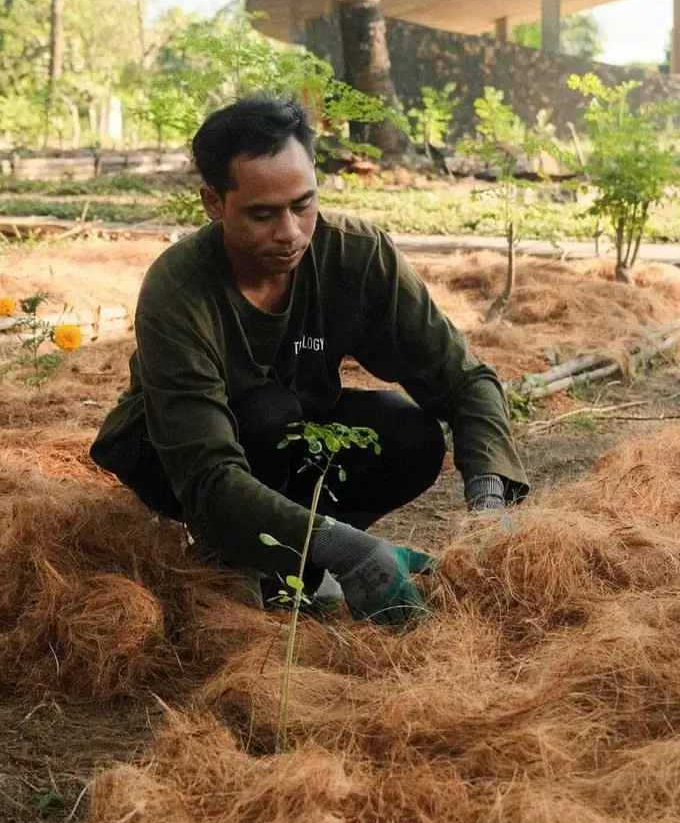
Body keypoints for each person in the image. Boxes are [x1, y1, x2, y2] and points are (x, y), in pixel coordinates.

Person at [91, 97, 529, 626]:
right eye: (262, 214)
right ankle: (252, 558)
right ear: (212, 201)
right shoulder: (178, 292)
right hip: (181, 462)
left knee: (411, 435)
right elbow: (208, 473)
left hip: (295, 429)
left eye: (303, 204)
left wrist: (489, 503)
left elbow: (465, 380)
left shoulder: (355, 254)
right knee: (268, 416)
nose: (291, 232)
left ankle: (291, 569)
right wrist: (348, 548)